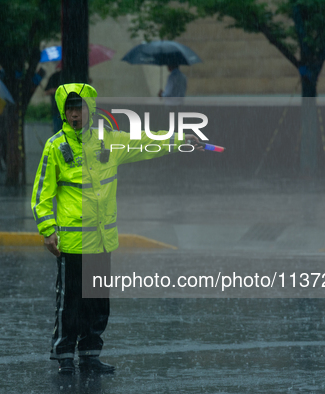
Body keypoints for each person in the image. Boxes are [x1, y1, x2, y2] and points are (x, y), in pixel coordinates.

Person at [31, 83, 202, 375]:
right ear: (64, 111)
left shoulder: (108, 141)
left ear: (90, 109)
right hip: (72, 244)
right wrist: (48, 230)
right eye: (70, 109)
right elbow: (41, 196)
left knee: (98, 304)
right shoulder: (55, 147)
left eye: (80, 108)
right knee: (70, 303)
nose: (75, 114)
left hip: (102, 241)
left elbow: (146, 142)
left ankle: (89, 354)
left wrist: (180, 140)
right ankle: (64, 356)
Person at [44, 70, 63, 134]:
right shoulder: (55, 77)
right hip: (57, 109)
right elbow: (46, 92)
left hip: (70, 109)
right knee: (57, 131)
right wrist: (57, 90)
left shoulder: (71, 75)